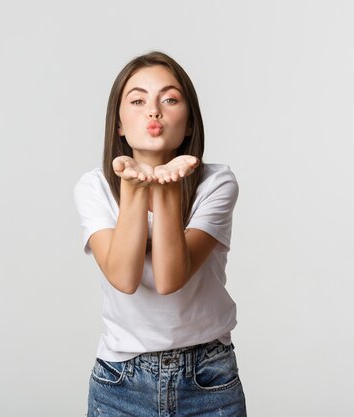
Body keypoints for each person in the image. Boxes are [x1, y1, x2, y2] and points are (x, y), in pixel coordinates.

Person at [74, 51, 247, 417]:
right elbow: (124, 276)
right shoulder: (94, 188)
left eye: (169, 99)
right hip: (120, 380)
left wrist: (168, 186)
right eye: (137, 100)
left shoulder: (217, 183)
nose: (153, 111)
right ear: (118, 124)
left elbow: (171, 278)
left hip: (208, 376)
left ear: (188, 124)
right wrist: (134, 186)